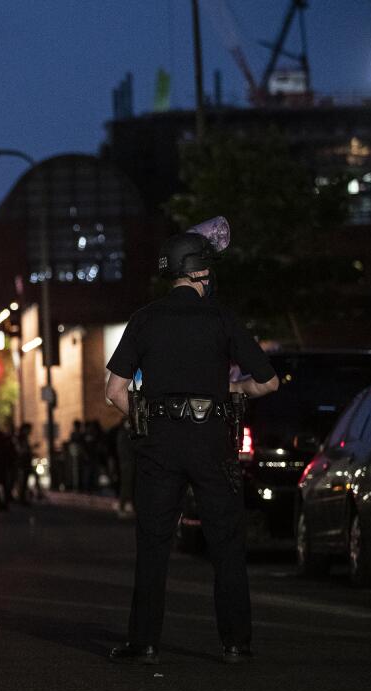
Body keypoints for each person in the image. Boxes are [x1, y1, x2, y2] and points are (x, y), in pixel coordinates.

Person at [104, 225, 278, 666]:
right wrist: (234, 391)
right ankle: (236, 643)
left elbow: (114, 391)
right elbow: (268, 381)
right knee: (226, 543)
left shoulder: (144, 318)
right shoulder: (221, 318)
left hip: (159, 442)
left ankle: (144, 643)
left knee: (154, 543)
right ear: (199, 272)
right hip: (212, 440)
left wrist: (147, 421)